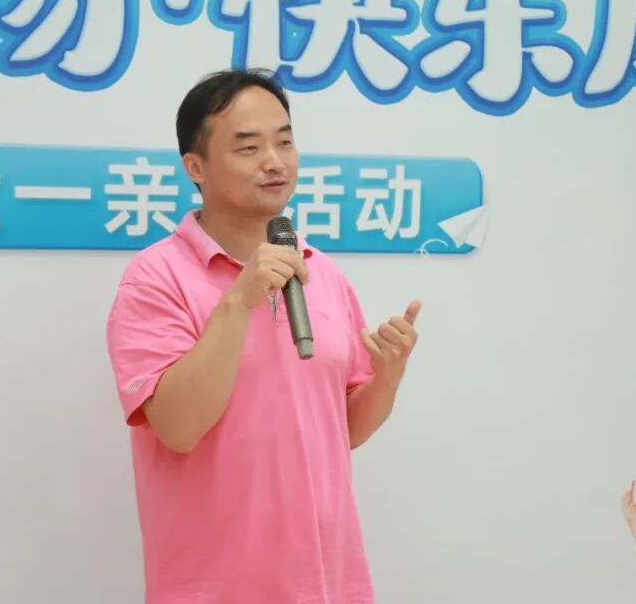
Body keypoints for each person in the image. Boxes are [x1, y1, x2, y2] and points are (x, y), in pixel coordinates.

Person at [105, 68, 423, 603]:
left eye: (285, 142)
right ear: (196, 167)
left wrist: (387, 378)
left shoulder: (323, 272)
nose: (274, 161)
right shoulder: (155, 278)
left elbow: (341, 430)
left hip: (328, 584)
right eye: (248, 147)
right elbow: (178, 428)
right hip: (214, 588)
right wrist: (238, 300)